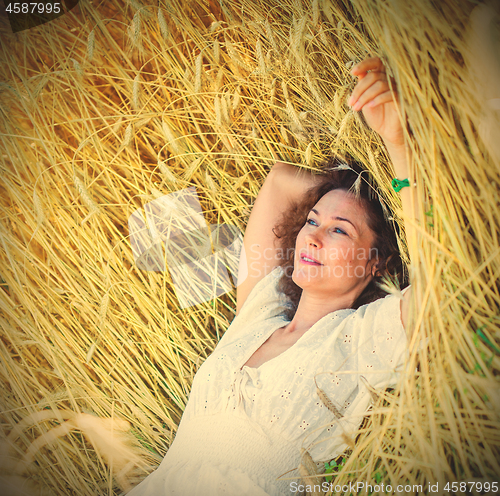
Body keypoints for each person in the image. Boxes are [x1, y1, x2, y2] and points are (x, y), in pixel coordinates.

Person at [127, 56, 415, 496]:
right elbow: (280, 182)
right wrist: (349, 185)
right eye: (312, 221)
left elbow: (441, 282)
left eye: (339, 231)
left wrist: (395, 147)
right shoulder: (260, 313)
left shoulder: (363, 339)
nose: (312, 238)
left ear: (376, 262)